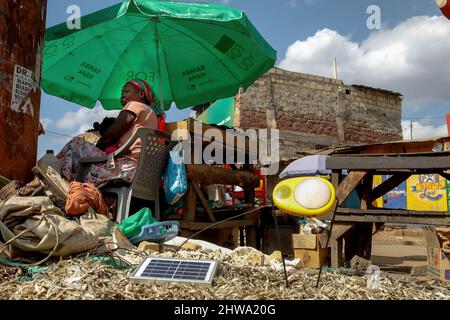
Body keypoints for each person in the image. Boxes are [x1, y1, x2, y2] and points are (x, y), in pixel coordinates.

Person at [56, 79, 166, 188]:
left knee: (76, 143)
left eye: (127, 92)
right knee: (83, 160)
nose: (122, 96)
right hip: (143, 173)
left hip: (126, 167)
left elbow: (110, 135)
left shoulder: (135, 105)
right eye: (122, 93)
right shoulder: (152, 116)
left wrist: (97, 148)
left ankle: (57, 180)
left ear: (141, 94)